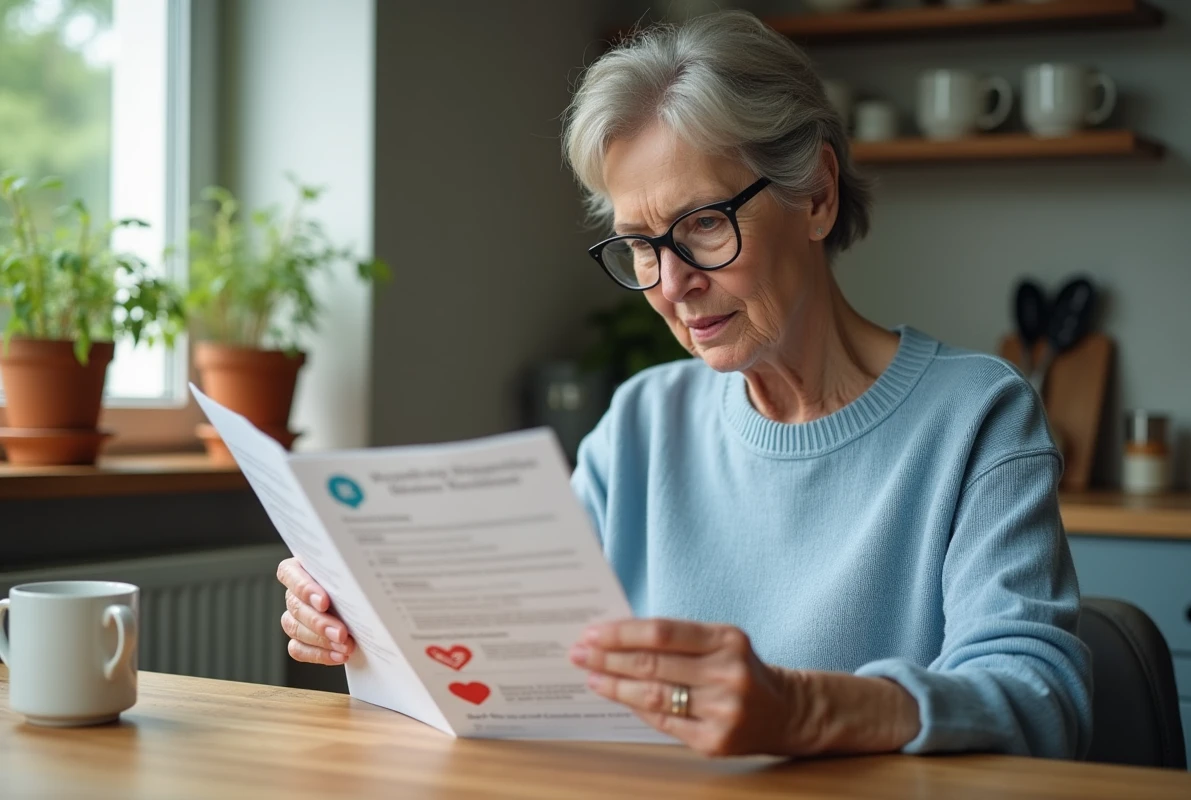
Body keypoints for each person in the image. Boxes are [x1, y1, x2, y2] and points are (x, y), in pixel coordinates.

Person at [276, 10, 1091, 759]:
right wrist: (369, 615)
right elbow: (523, 638)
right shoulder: (642, 420)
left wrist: (802, 711)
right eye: (638, 243)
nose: (670, 284)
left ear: (816, 195)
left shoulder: (977, 416)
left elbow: (1042, 696)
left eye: (703, 223)